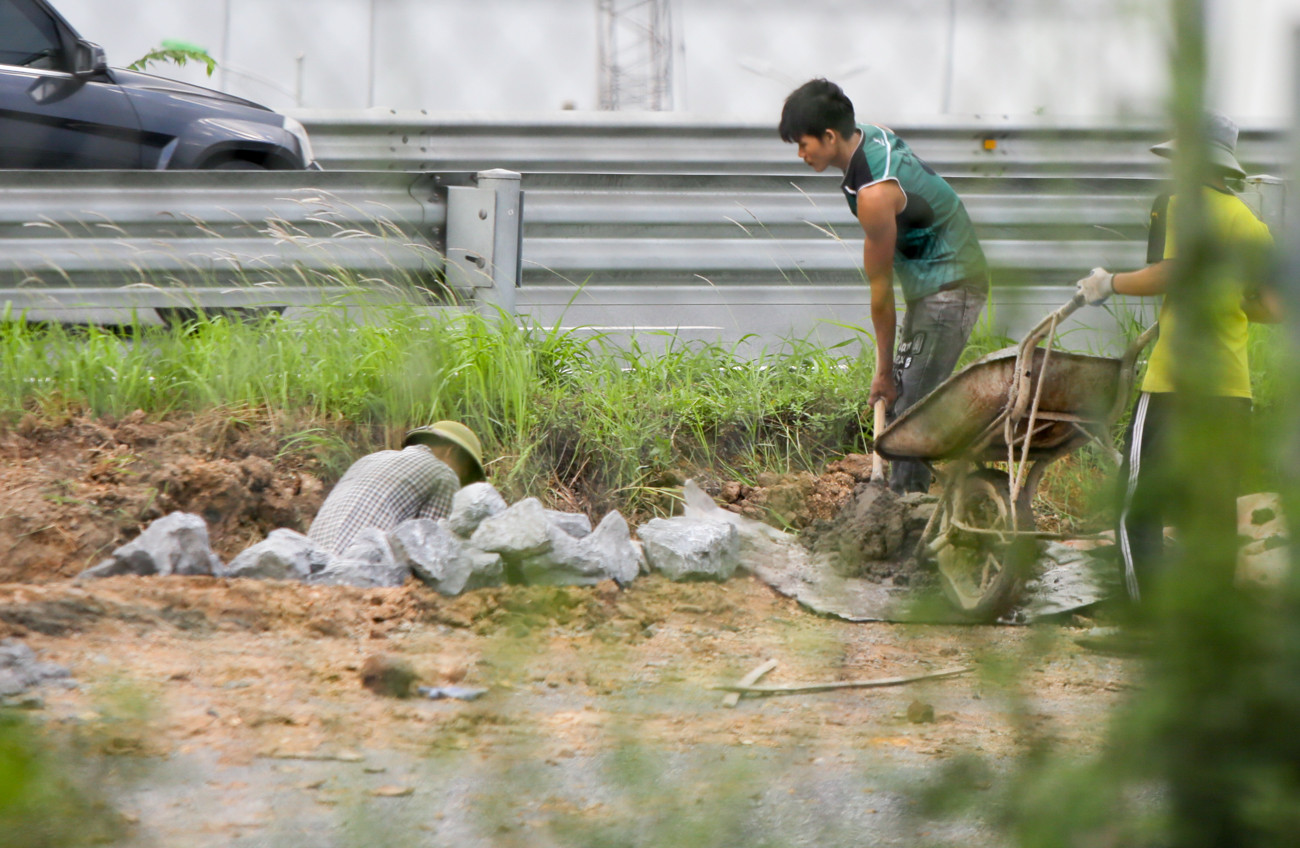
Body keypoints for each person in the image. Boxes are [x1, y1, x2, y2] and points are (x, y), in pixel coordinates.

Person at [1074, 110, 1277, 610]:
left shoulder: (1180, 202)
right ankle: (1209, 629)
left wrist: (1109, 283)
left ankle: (1144, 621)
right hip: (1229, 389)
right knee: (1211, 512)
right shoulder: (1250, 222)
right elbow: (1273, 307)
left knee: (1135, 507)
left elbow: (1168, 273)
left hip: (1173, 386)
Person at [779, 79, 990, 494]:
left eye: (803, 145)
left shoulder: (874, 195)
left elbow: (880, 294)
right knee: (906, 401)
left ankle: (904, 511)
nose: (800, 155)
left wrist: (882, 372)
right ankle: (907, 500)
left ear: (830, 136)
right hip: (933, 281)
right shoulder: (870, 134)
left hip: (952, 283)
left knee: (910, 410)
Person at [307, 420, 486, 555]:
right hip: (354, 568)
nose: (461, 483)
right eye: (465, 474)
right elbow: (428, 555)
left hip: (308, 564)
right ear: (452, 452)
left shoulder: (370, 459)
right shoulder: (445, 474)